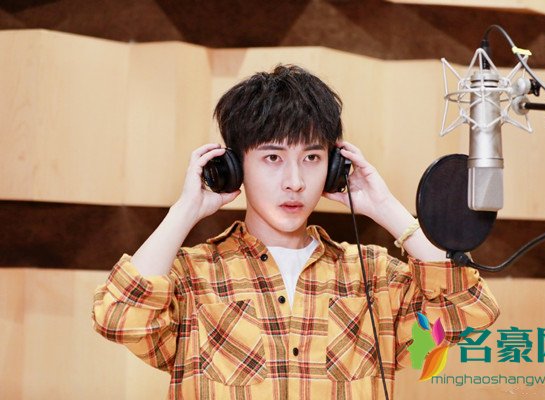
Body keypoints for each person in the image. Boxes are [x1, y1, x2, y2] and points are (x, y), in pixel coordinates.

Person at [92, 65, 499, 399]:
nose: (295, 182)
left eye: (312, 158)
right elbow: (119, 317)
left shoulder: (373, 275)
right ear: (234, 166)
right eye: (272, 157)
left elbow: (471, 311)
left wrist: (387, 209)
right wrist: (185, 211)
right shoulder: (192, 276)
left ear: (336, 168)